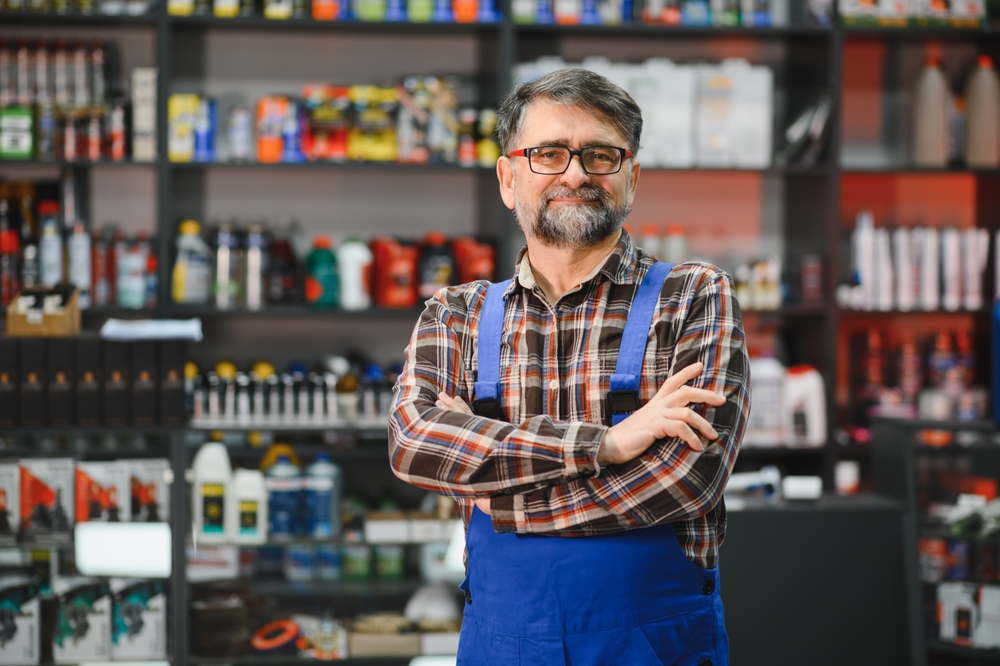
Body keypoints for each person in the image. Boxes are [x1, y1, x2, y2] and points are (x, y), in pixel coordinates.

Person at [389, 68, 749, 666]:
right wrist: (606, 445)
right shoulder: (455, 313)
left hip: (653, 647)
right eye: (549, 154)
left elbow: (685, 479)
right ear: (508, 178)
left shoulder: (695, 297)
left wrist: (494, 495)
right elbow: (414, 445)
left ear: (630, 178)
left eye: (600, 155)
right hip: (502, 645)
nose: (575, 173)